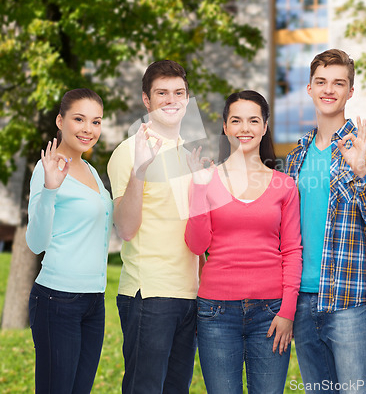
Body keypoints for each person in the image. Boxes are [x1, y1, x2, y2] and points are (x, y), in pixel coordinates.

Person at [285, 49, 366, 393]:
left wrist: (360, 171)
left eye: (338, 83)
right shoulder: (295, 157)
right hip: (303, 300)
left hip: (350, 298)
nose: (328, 90)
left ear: (350, 91)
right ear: (309, 88)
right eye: (321, 82)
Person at [184, 90, 302, 394]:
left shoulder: (283, 185)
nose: (244, 129)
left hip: (271, 311)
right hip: (216, 312)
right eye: (236, 121)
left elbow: (291, 250)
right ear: (225, 127)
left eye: (253, 121)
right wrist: (197, 191)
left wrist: (288, 311)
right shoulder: (206, 179)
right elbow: (197, 246)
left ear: (264, 127)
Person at [107, 60, 203, 394]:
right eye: (162, 93)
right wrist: (140, 171)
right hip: (149, 295)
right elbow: (126, 229)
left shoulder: (189, 155)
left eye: (178, 92)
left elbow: (195, 232)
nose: (171, 99)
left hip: (188, 295)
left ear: (187, 99)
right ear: (147, 100)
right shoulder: (127, 153)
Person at [26, 88, 113, 394]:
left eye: (96, 121)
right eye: (79, 119)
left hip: (94, 300)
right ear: (60, 121)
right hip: (57, 300)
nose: (88, 129)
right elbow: (35, 242)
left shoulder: (90, 169)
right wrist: (50, 189)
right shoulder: (47, 168)